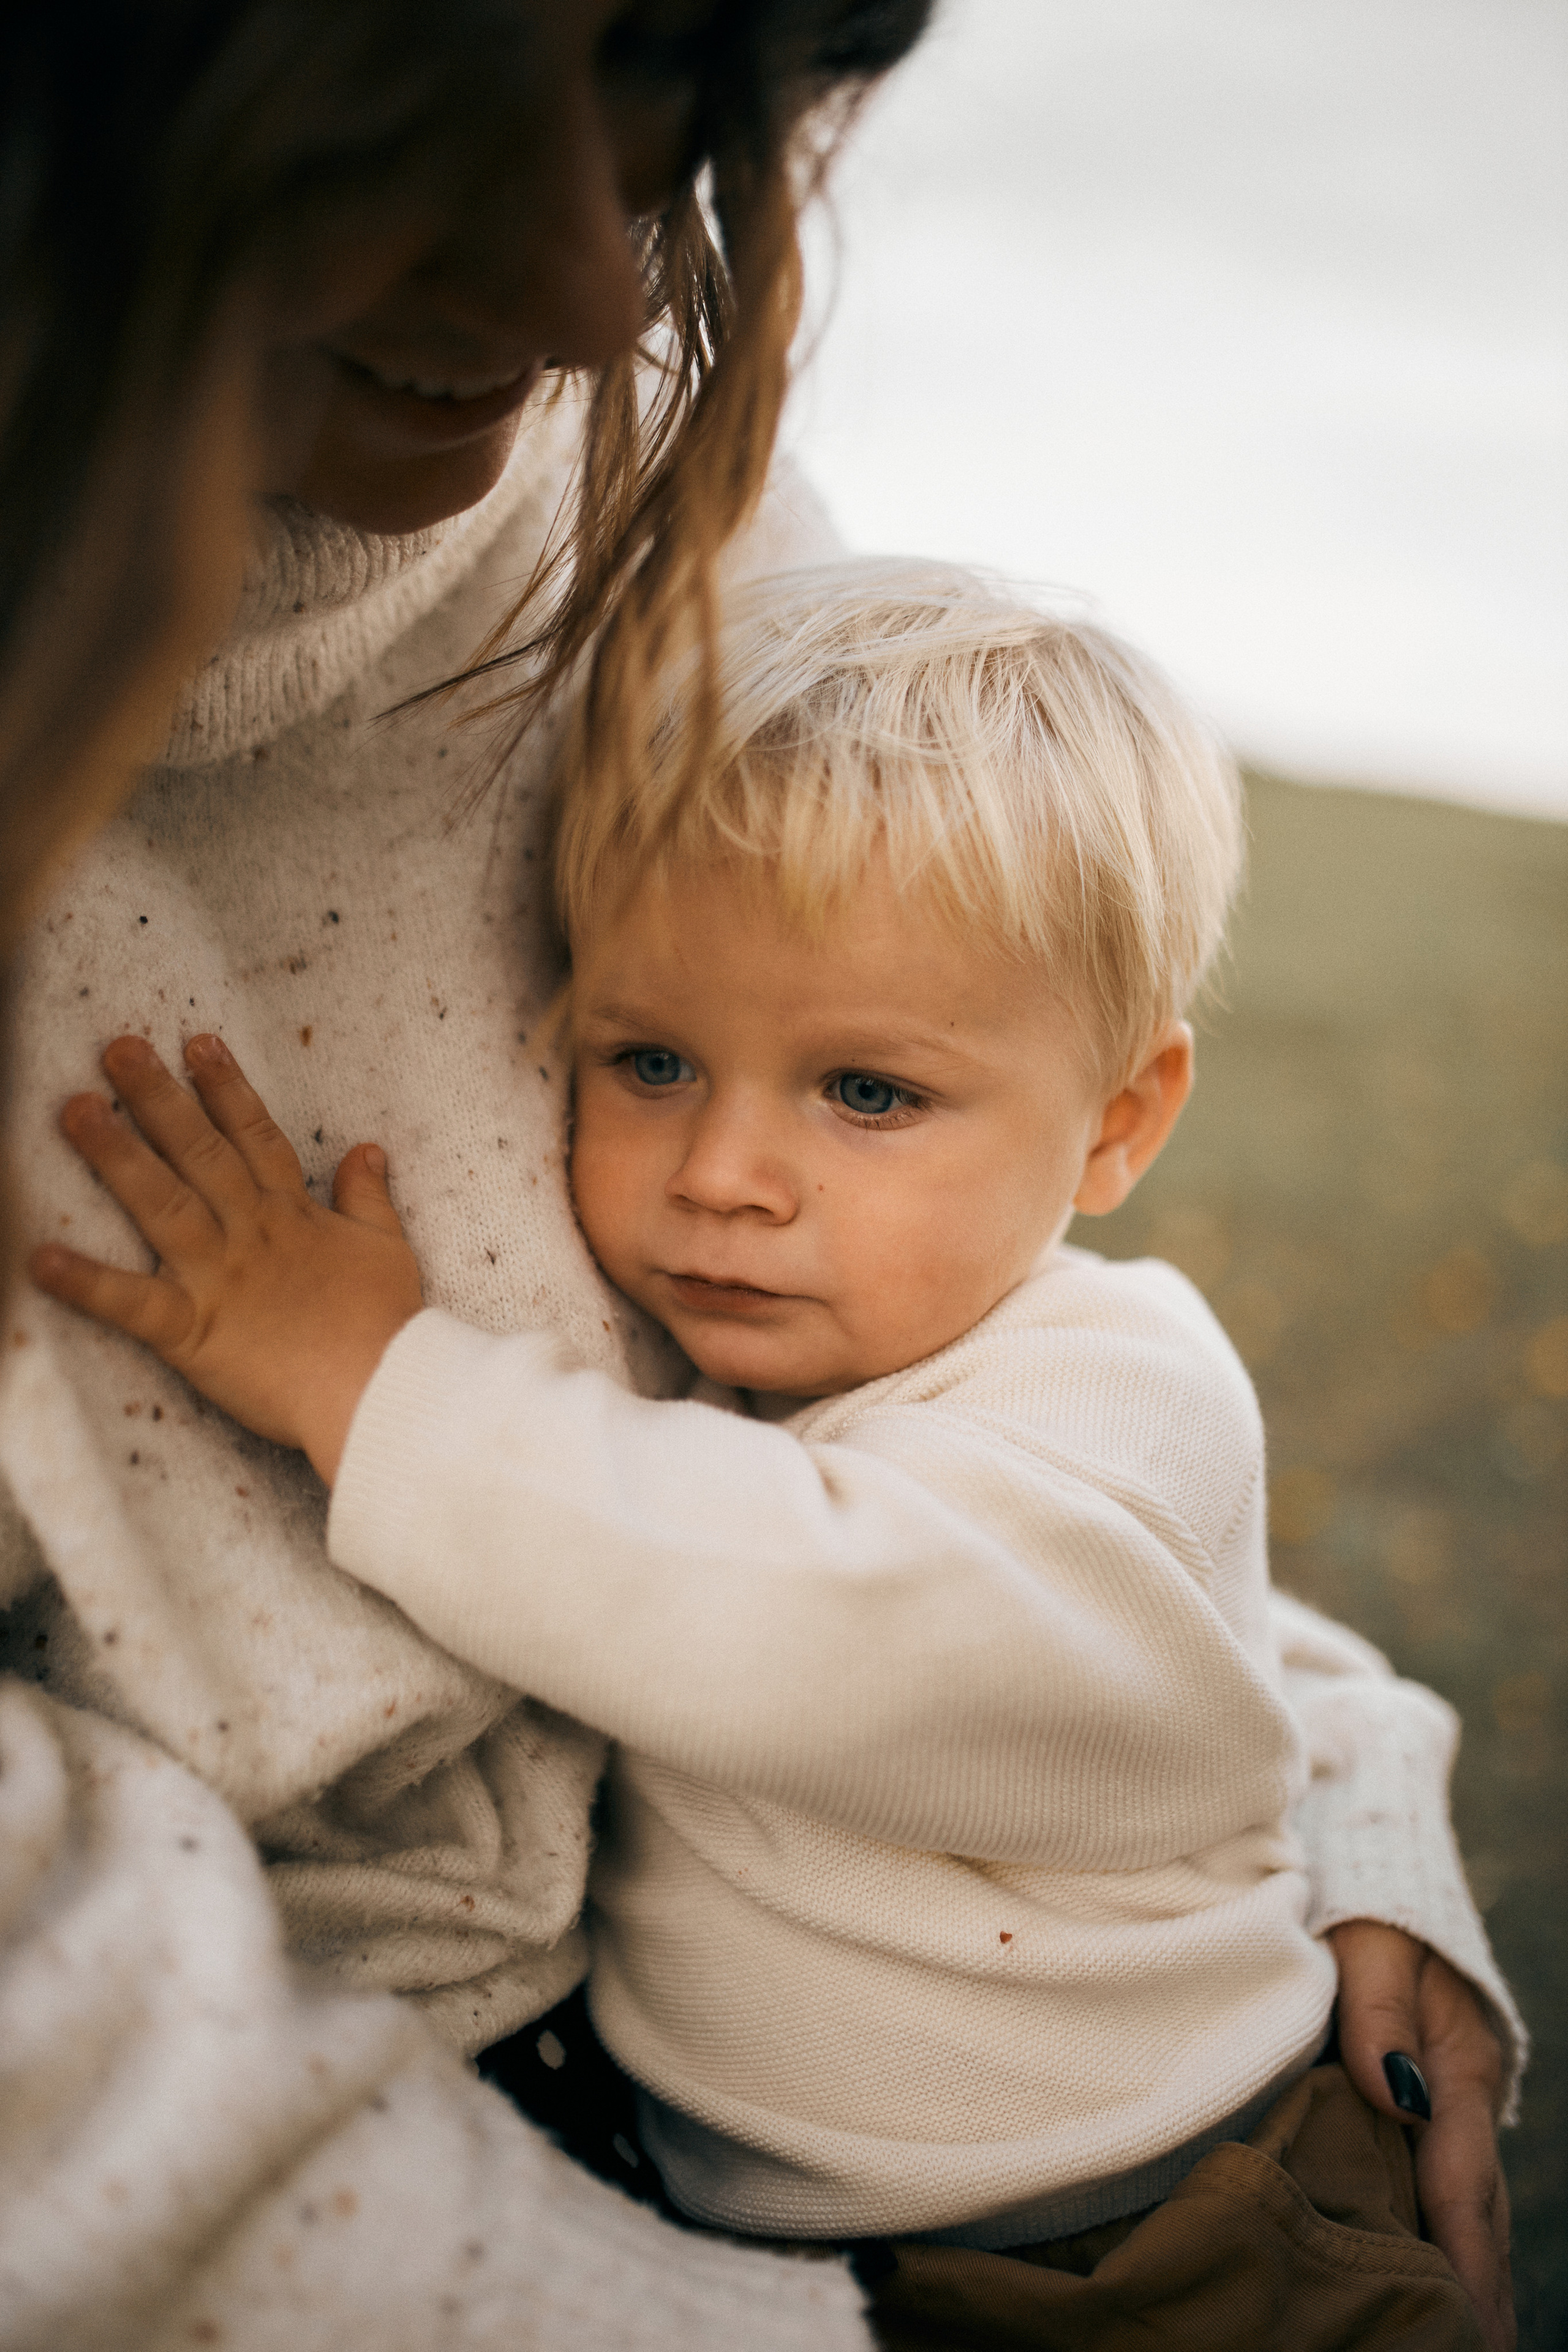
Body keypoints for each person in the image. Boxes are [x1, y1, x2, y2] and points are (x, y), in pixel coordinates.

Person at [0, 4, 1518, 2345]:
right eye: (639, 1059)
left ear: (1123, 1128)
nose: (721, 1178)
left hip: (1169, 2241)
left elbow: (861, 1597)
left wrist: (370, 1379)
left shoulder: (642, 531)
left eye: (677, 79)